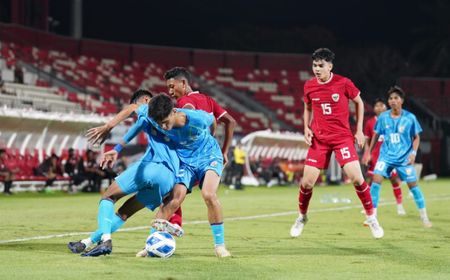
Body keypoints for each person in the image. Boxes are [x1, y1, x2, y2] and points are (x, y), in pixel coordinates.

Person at [71, 90, 182, 257]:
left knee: (108, 197)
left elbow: (131, 108)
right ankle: (87, 242)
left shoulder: (149, 108)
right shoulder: (176, 119)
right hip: (169, 179)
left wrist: (108, 127)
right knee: (124, 212)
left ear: (146, 100)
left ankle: (106, 240)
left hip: (152, 167)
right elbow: (138, 126)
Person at [290, 48, 384, 239]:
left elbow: (358, 102)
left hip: (342, 138)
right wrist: (306, 127)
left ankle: (372, 217)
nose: (317, 69)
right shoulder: (309, 86)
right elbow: (307, 106)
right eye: (314, 65)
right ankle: (302, 217)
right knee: (307, 183)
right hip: (320, 139)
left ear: (330, 66)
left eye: (320, 65)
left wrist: (358, 130)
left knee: (357, 179)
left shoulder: (343, 83)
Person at [145, 94, 231, 257]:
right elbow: (137, 109)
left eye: (165, 122)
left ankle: (220, 246)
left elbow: (212, 119)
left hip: (209, 156)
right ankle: (151, 242)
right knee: (173, 201)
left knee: (208, 194)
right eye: (160, 124)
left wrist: (210, 138)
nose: (163, 127)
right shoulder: (156, 119)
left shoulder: (197, 118)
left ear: (174, 111)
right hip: (186, 163)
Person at [164, 66, 237, 223]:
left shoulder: (183, 101)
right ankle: (219, 244)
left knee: (168, 192)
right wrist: (224, 151)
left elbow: (188, 111)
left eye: (172, 86)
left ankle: (174, 225)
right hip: (210, 156)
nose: (170, 92)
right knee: (208, 196)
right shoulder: (208, 100)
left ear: (183, 83)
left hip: (191, 158)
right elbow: (231, 121)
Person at [367, 86, 432, 228]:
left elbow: (416, 137)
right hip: (386, 157)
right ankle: (372, 217)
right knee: (376, 180)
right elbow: (376, 135)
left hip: (403, 159)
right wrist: (369, 152)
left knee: (413, 186)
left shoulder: (410, 118)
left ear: (402, 100)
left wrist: (413, 153)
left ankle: (424, 217)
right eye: (390, 98)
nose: (393, 101)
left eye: (396, 98)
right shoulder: (383, 117)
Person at [363, 98, 405, 215]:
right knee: (371, 180)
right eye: (376, 106)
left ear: (385, 107)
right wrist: (367, 154)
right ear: (374, 109)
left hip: (390, 156)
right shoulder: (370, 122)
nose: (379, 108)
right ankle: (370, 207)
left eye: (381, 105)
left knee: (394, 180)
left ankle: (400, 205)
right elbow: (367, 140)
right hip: (375, 156)